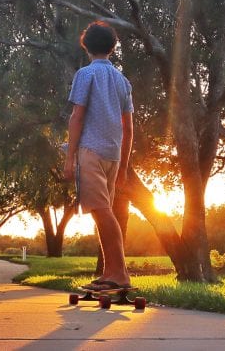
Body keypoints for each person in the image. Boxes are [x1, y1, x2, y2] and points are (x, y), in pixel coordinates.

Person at [63, 21, 133, 290]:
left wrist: (70, 159)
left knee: (102, 213)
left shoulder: (85, 74)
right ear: (112, 48)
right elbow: (128, 128)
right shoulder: (123, 81)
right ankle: (110, 273)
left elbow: (77, 117)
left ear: (86, 46)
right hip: (113, 155)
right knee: (102, 212)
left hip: (90, 151)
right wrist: (124, 166)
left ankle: (120, 275)